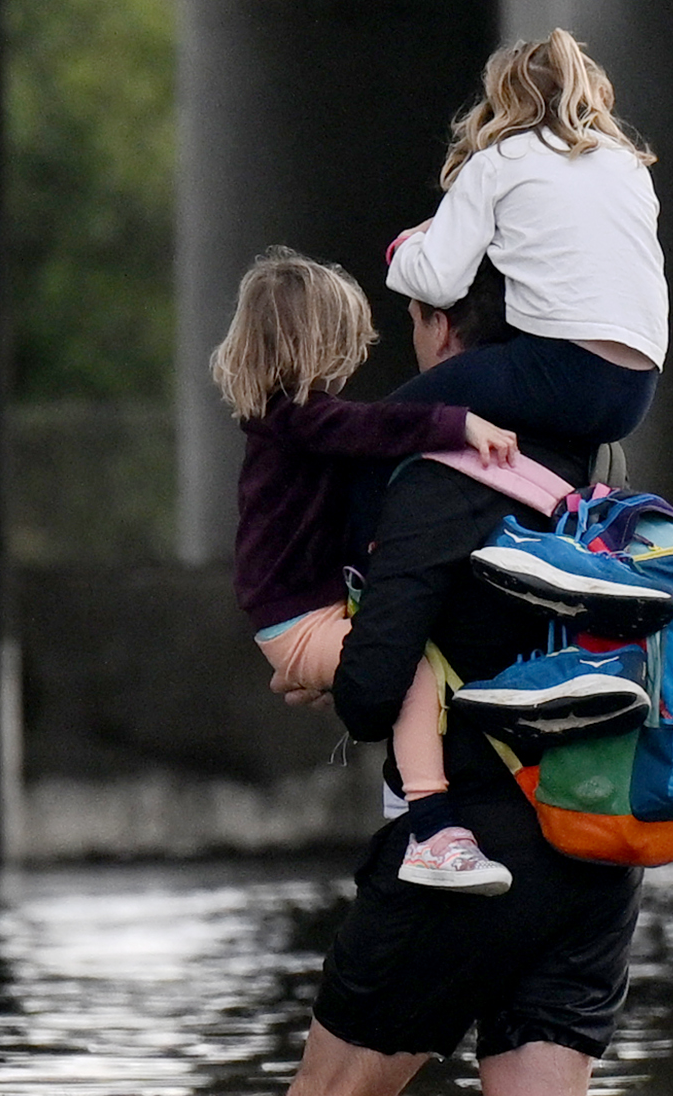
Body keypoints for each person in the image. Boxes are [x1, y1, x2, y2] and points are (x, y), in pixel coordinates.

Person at [276, 284, 643, 1096]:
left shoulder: (441, 477)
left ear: (445, 330)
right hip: (596, 845)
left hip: (470, 845)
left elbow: (372, 691)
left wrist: (318, 663)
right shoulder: (587, 470)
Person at [210, 248, 522, 894]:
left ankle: (411, 802)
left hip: (304, 610)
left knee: (413, 655)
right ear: (314, 340)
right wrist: (460, 423)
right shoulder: (296, 416)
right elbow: (373, 427)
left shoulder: (289, 422)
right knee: (408, 668)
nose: (355, 356)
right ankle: (430, 827)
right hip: (298, 618)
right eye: (346, 340)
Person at [380, 28, 666, 451]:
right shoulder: (629, 167)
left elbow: (437, 281)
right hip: (635, 394)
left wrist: (404, 248)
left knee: (384, 427)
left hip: (558, 371)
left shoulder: (499, 161)